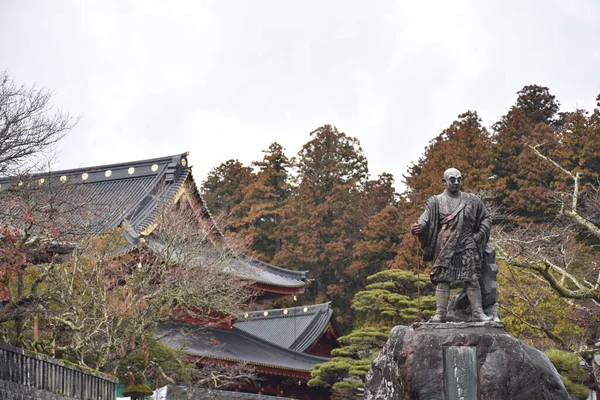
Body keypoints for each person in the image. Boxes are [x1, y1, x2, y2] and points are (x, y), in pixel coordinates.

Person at [411, 168, 492, 322]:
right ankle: (440, 313)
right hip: (445, 244)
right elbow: (425, 219)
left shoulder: (472, 200)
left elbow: (486, 218)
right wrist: (419, 227)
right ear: (444, 181)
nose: (456, 182)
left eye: (459, 179)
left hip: (467, 242)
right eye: (452, 179)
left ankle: (477, 312)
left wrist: (479, 235)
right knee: (443, 279)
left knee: (472, 278)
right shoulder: (435, 201)